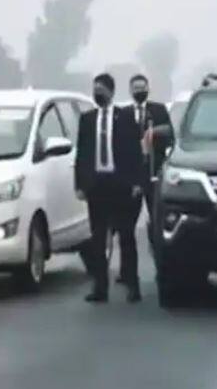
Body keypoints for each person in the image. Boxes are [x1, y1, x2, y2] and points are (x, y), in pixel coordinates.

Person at [75, 73, 145, 304]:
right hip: (97, 186)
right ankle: (100, 287)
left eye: (101, 90)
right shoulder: (87, 119)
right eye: (95, 90)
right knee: (98, 239)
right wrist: (80, 184)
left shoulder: (124, 117)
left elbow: (135, 152)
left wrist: (137, 182)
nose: (98, 94)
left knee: (126, 237)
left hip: (121, 185)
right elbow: (82, 154)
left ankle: (132, 285)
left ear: (111, 92)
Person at [123, 74, 174, 283]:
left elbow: (170, 134)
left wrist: (155, 133)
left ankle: (161, 266)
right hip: (133, 177)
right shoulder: (124, 114)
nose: (139, 91)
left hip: (154, 173)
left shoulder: (158, 110)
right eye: (135, 88)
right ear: (130, 91)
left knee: (156, 223)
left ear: (148, 88)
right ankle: (127, 272)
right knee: (126, 226)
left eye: (142, 87)